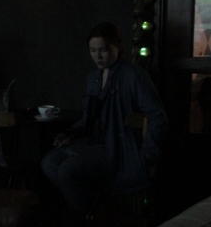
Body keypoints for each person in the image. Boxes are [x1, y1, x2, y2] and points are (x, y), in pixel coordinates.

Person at [41, 22, 168, 216]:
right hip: (93, 143)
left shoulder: (133, 75)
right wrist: (70, 134)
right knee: (49, 162)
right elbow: (88, 118)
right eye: (93, 50)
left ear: (118, 47)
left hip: (119, 149)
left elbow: (158, 118)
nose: (97, 56)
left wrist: (146, 158)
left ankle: (84, 219)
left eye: (104, 50)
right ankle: (92, 208)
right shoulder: (94, 77)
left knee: (68, 170)